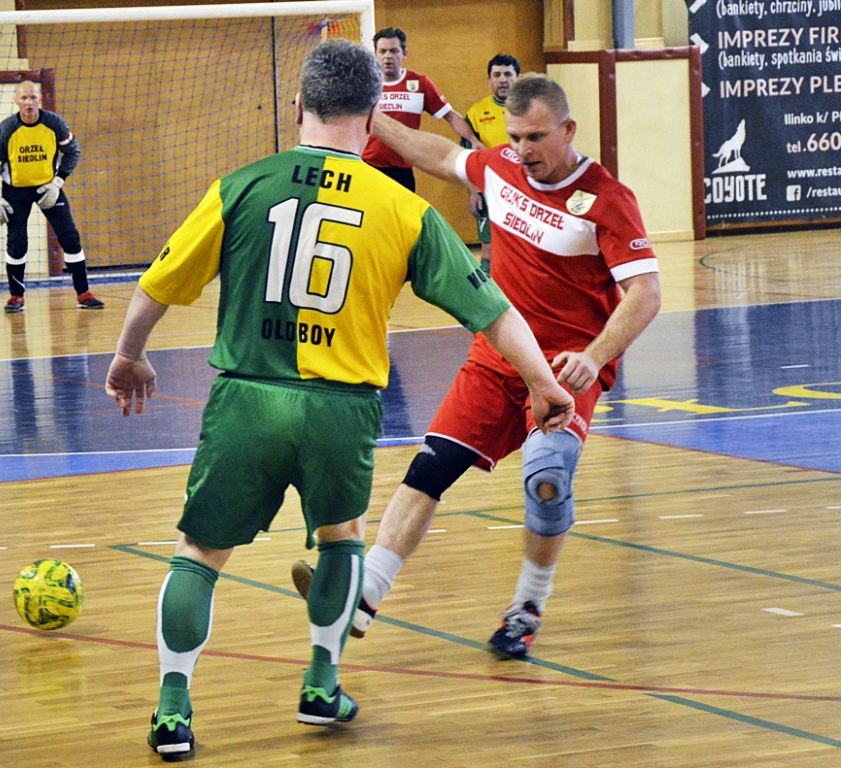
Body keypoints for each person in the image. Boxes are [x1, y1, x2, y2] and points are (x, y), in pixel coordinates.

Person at [105, 41, 573, 761]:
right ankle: (321, 686)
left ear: (298, 109)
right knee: (341, 538)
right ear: (375, 114)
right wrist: (543, 383)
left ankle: (173, 711)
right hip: (341, 409)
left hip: (247, 400)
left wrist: (129, 356)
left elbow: (155, 287)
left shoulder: (240, 186)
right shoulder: (401, 208)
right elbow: (493, 311)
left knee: (200, 551)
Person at [294, 73, 662, 660]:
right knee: (431, 468)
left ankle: (526, 609)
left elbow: (645, 292)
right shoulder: (504, 168)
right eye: (515, 136)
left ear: (568, 129)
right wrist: (369, 117)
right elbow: (439, 152)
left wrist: (594, 358)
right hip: (496, 357)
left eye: (536, 137)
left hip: (566, 370)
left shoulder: (607, 200)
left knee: (547, 482)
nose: (523, 149)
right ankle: (363, 598)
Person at [0, 80, 104, 313]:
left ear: (40, 99)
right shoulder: (6, 129)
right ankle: (16, 297)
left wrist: (58, 182)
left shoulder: (54, 123)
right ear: (16, 101)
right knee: (17, 242)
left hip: (48, 187)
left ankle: (84, 294)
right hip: (15, 191)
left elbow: (72, 150)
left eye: (33, 97)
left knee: (69, 236)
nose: (29, 102)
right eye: (24, 98)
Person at [363, 27, 484, 191]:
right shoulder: (365, 85)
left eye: (393, 51)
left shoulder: (420, 83)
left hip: (403, 171)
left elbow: (450, 116)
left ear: (404, 53)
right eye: (382, 51)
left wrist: (473, 139)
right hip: (368, 168)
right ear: (375, 54)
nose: (387, 57)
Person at [462, 53, 521, 273]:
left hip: (523, 190)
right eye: (497, 75)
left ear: (518, 77)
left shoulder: (529, 110)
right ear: (489, 80)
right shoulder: (476, 113)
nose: (502, 80)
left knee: (522, 247)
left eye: (508, 74)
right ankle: (487, 299)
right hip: (488, 189)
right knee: (489, 248)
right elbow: (467, 158)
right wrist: (473, 191)